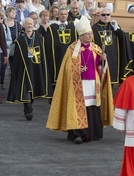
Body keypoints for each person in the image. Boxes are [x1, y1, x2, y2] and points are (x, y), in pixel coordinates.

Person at [46, 16, 113, 144]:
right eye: (87, 34)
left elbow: (101, 69)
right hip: (78, 84)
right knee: (77, 108)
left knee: (91, 107)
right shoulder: (72, 49)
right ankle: (77, 134)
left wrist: (103, 61)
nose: (89, 36)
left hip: (93, 84)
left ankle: (91, 134)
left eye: (90, 34)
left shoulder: (96, 48)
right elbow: (66, 69)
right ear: (80, 35)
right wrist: (76, 69)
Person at [6, 17, 52, 120]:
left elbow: (43, 54)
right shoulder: (20, 39)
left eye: (31, 24)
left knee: (33, 89)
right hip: (24, 68)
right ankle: (28, 110)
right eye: (27, 24)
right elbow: (15, 57)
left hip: (36, 67)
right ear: (24, 25)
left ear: (34, 24)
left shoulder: (39, 38)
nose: (29, 26)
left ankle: (29, 106)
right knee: (26, 89)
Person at [92, 7, 134, 85]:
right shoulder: (94, 28)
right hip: (100, 58)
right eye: (103, 15)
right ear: (99, 16)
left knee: (112, 80)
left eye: (108, 14)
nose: (106, 16)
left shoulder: (113, 26)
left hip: (114, 57)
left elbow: (123, 38)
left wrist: (116, 28)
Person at [45, 7, 78, 91]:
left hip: (69, 55)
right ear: (58, 15)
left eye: (65, 14)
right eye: (61, 14)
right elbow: (48, 44)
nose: (63, 16)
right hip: (56, 56)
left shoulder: (73, 27)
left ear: (67, 15)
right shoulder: (52, 27)